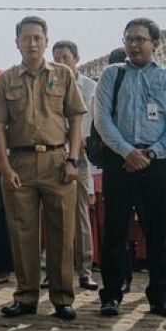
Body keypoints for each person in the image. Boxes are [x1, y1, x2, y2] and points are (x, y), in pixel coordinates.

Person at [0, 17, 87, 320]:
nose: (32, 43)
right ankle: (26, 296)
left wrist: (73, 160)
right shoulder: (6, 80)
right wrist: (5, 166)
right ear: (17, 42)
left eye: (37, 38)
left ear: (46, 41)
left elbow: (75, 119)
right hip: (20, 162)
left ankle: (62, 298)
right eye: (26, 38)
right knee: (22, 233)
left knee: (62, 232)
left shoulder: (63, 76)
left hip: (57, 162)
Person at [96, 18, 166, 317]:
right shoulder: (112, 74)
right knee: (115, 230)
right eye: (129, 39)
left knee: (158, 231)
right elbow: (102, 120)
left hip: (157, 163)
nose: (134, 44)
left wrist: (152, 152)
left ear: (155, 43)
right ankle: (111, 295)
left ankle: (160, 297)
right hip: (119, 161)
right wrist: (127, 151)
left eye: (140, 39)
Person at [51, 40, 100, 291]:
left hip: (78, 157)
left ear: (76, 58)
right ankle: (55, 270)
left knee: (80, 216)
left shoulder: (90, 88)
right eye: (56, 58)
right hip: (52, 157)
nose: (61, 62)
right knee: (52, 215)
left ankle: (84, 270)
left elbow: (88, 126)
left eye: (65, 57)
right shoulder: (48, 84)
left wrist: (73, 151)